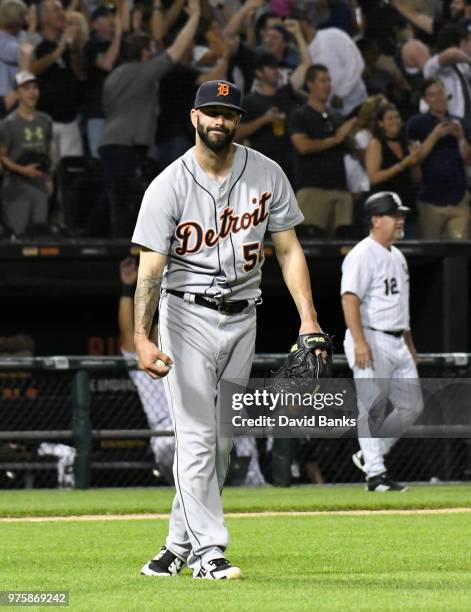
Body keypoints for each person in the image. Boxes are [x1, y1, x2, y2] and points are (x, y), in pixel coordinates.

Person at [132, 79, 327, 580]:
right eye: (211, 112)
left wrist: (308, 318)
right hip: (186, 315)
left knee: (220, 441)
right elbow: (150, 269)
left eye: (229, 113)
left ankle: (175, 546)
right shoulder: (168, 185)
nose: (220, 121)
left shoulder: (266, 172)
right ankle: (209, 553)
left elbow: (288, 249)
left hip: (244, 315)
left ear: (238, 121)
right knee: (197, 437)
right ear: (194, 118)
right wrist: (141, 335)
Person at [118, 257, 266, 486]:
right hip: (167, 435)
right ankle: (194, 491)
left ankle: (254, 481)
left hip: (200, 426)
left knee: (236, 415)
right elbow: (128, 335)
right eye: (159, 331)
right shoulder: (148, 365)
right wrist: (128, 287)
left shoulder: (192, 354)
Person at [341, 191, 423, 492]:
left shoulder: (397, 255)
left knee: (411, 406)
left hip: (397, 337)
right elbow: (349, 299)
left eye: (401, 214)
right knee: (372, 408)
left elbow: (402, 304)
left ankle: (370, 454)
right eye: (394, 214)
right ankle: (376, 475)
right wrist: (360, 342)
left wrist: (409, 341)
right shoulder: (361, 254)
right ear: (376, 220)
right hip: (371, 336)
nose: (400, 219)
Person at [99, 0, 201, 237]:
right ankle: (121, 250)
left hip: (110, 144)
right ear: (145, 53)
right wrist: (194, 17)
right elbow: (176, 50)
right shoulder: (143, 72)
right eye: (151, 51)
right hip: (127, 146)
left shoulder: (115, 75)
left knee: (113, 196)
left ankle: (94, 238)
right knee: (124, 201)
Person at [290, 63, 356, 236]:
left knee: (343, 245)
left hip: (340, 190)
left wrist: (351, 133)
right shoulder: (300, 115)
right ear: (310, 84)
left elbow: (350, 147)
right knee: (311, 245)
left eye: (329, 81)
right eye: (322, 81)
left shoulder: (335, 116)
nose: (327, 85)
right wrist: (335, 139)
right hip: (313, 190)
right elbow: (303, 146)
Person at [406, 77, 471, 239]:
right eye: (432, 95)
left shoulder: (461, 123)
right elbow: (414, 159)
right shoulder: (416, 123)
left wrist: (461, 138)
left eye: (440, 93)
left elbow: (468, 160)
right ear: (425, 99)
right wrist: (435, 135)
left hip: (458, 199)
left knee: (458, 251)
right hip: (430, 200)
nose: (438, 98)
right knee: (429, 252)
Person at [31, 0, 86, 164]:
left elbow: (81, 74)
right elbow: (31, 70)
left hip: (70, 119)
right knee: (47, 172)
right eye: (56, 9)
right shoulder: (34, 41)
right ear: (44, 18)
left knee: (73, 173)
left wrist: (74, 49)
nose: (62, 13)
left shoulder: (69, 45)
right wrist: (59, 50)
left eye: (62, 8)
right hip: (46, 120)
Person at [0, 70, 52, 236]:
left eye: (35, 87)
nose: (32, 92)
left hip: (38, 180)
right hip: (16, 180)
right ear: (17, 94)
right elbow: (2, 156)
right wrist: (23, 170)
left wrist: (49, 177)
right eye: (26, 88)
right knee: (21, 229)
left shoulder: (45, 121)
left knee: (39, 227)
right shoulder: (9, 123)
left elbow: (48, 149)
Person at [366, 102, 420, 235]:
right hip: (384, 208)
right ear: (380, 123)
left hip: (406, 204)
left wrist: (414, 162)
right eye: (390, 118)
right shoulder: (376, 144)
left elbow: (417, 179)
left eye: (397, 118)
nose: (395, 121)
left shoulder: (407, 144)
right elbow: (374, 177)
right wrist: (401, 165)